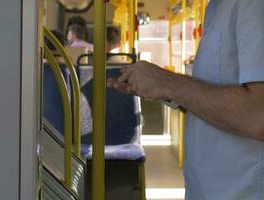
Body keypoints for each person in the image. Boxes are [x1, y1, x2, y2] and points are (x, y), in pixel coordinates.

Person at [108, 0, 264, 199]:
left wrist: (168, 83)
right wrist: (162, 89)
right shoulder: (217, 8)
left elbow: (258, 115)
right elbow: (212, 99)